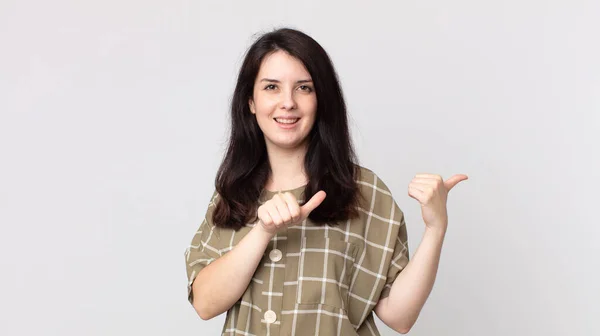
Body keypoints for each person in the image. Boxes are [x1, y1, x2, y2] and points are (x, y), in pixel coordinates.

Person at [184, 27, 468, 336]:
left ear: (321, 99)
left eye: (304, 88)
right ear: (250, 101)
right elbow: (205, 303)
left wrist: (435, 228)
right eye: (271, 88)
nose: (288, 102)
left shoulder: (364, 193)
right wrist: (262, 232)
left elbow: (399, 316)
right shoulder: (232, 194)